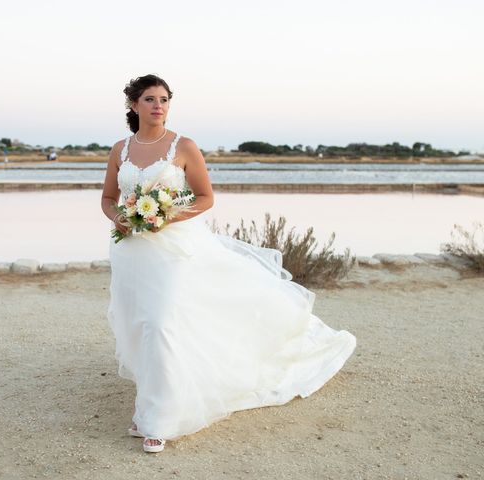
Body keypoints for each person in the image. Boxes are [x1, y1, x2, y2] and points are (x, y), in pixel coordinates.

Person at [100, 74, 356, 454]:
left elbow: (205, 197)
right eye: (150, 99)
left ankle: (157, 420)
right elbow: (108, 197)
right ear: (134, 105)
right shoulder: (120, 149)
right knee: (138, 323)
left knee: (161, 322)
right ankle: (154, 395)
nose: (159, 105)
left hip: (175, 249)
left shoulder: (183, 146)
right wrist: (119, 217)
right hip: (132, 250)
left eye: (165, 99)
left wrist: (167, 215)